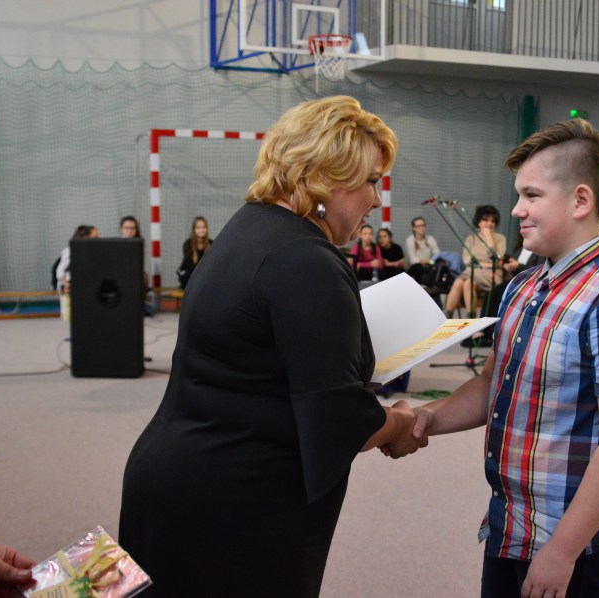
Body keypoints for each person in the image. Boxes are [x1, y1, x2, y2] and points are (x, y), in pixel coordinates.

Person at [119, 96, 418, 597]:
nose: (375, 199)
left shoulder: (248, 229)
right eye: (369, 180)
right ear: (323, 176)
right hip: (236, 501)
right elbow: (338, 419)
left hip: (181, 475)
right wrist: (400, 422)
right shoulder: (305, 258)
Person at [386, 118, 599, 598]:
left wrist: (562, 550)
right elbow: (490, 385)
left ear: (581, 200)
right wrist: (428, 417)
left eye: (531, 195)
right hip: (512, 524)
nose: (517, 210)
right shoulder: (522, 287)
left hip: (580, 544)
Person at [444, 204, 507, 316]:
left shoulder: (500, 238)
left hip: (490, 274)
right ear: (478, 222)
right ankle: (447, 316)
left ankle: (471, 317)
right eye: (485, 220)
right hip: (470, 272)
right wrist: (486, 263)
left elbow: (496, 260)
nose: (489, 223)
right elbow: (467, 260)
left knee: (468, 283)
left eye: (492, 221)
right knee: (459, 282)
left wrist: (488, 237)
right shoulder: (471, 238)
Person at [176, 216, 212, 289]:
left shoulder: (211, 244)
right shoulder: (188, 244)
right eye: (198, 227)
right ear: (194, 229)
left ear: (207, 229)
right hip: (190, 279)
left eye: (204, 227)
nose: (201, 230)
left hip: (205, 278)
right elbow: (188, 265)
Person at [404, 216, 440, 284]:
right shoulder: (410, 240)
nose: (422, 228)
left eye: (423, 225)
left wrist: (431, 262)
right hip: (415, 267)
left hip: (428, 265)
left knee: (438, 266)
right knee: (418, 267)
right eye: (419, 226)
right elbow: (413, 260)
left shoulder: (430, 239)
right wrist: (429, 261)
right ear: (414, 228)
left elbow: (437, 253)